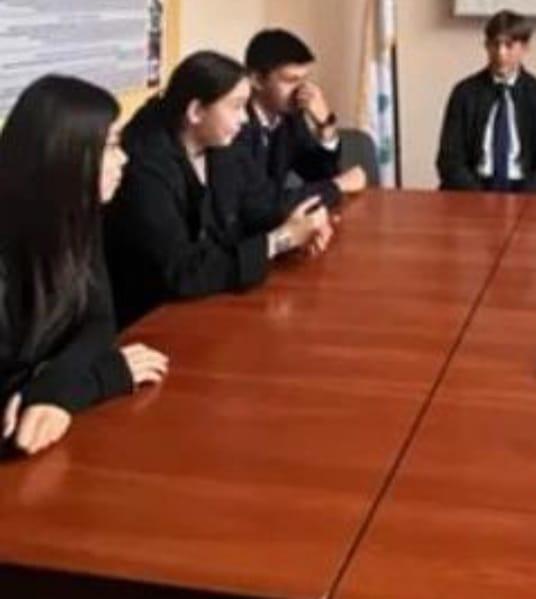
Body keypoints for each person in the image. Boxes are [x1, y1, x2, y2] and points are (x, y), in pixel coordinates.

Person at [1, 76, 168, 457]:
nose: (124, 159)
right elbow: (14, 419)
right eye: (111, 146)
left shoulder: (76, 218)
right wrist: (99, 379)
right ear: (66, 155)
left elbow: (98, 320)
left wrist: (54, 390)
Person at [106, 51, 333, 326]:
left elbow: (259, 205)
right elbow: (181, 272)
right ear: (195, 111)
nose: (245, 119)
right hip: (150, 319)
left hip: (211, 302)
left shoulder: (222, 143)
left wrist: (303, 226)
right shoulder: (144, 165)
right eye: (236, 106)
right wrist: (279, 240)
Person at [436, 10, 536, 193]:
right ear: (486, 46)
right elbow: (450, 160)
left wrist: (524, 200)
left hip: (526, 190)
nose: (500, 53)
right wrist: (479, 198)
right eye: (494, 45)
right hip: (475, 188)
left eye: (509, 45)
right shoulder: (464, 93)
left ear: (525, 48)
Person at [240, 28, 366, 212]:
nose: (302, 90)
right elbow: (260, 204)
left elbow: (320, 176)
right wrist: (338, 185)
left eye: (305, 79)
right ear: (257, 80)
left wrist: (325, 124)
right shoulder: (235, 123)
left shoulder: (290, 117)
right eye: (291, 80)